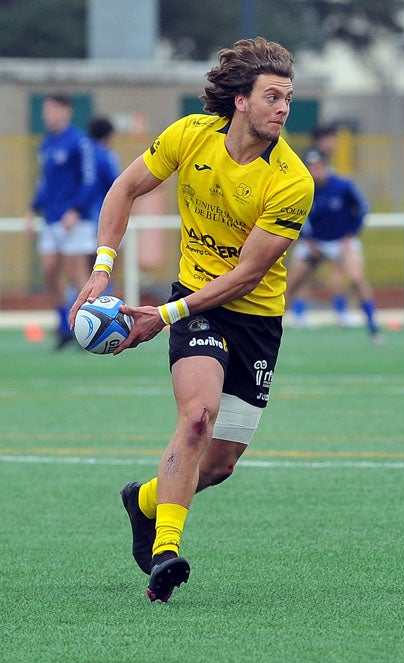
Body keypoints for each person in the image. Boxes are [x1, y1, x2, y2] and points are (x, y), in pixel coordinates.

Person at [68, 37, 314, 603]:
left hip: (252, 317)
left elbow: (248, 275)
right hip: (193, 305)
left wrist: (163, 314)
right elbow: (125, 188)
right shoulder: (190, 135)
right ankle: (165, 555)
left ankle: (148, 501)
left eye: (289, 98)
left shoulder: (292, 181)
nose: (282, 108)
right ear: (240, 102)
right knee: (197, 418)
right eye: (272, 96)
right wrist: (103, 268)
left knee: (221, 464)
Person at [26, 94, 97, 349]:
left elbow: (90, 179)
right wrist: (33, 210)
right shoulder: (47, 144)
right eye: (45, 110)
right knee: (49, 270)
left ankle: (90, 327)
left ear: (66, 111)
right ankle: (63, 326)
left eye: (52, 110)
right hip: (52, 219)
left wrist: (77, 209)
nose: (47, 115)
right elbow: (44, 182)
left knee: (77, 273)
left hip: (74, 220)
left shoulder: (80, 142)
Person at [286, 147, 380, 341]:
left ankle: (372, 326)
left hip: (341, 241)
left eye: (319, 165)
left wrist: (350, 235)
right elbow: (292, 214)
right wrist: (307, 239)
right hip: (314, 242)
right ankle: (284, 321)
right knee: (292, 282)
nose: (316, 170)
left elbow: (362, 209)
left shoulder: (343, 187)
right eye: (311, 166)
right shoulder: (302, 187)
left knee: (356, 278)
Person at [87, 116, 121, 227]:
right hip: (101, 210)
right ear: (108, 135)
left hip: (82, 214)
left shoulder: (83, 153)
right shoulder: (106, 156)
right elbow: (117, 183)